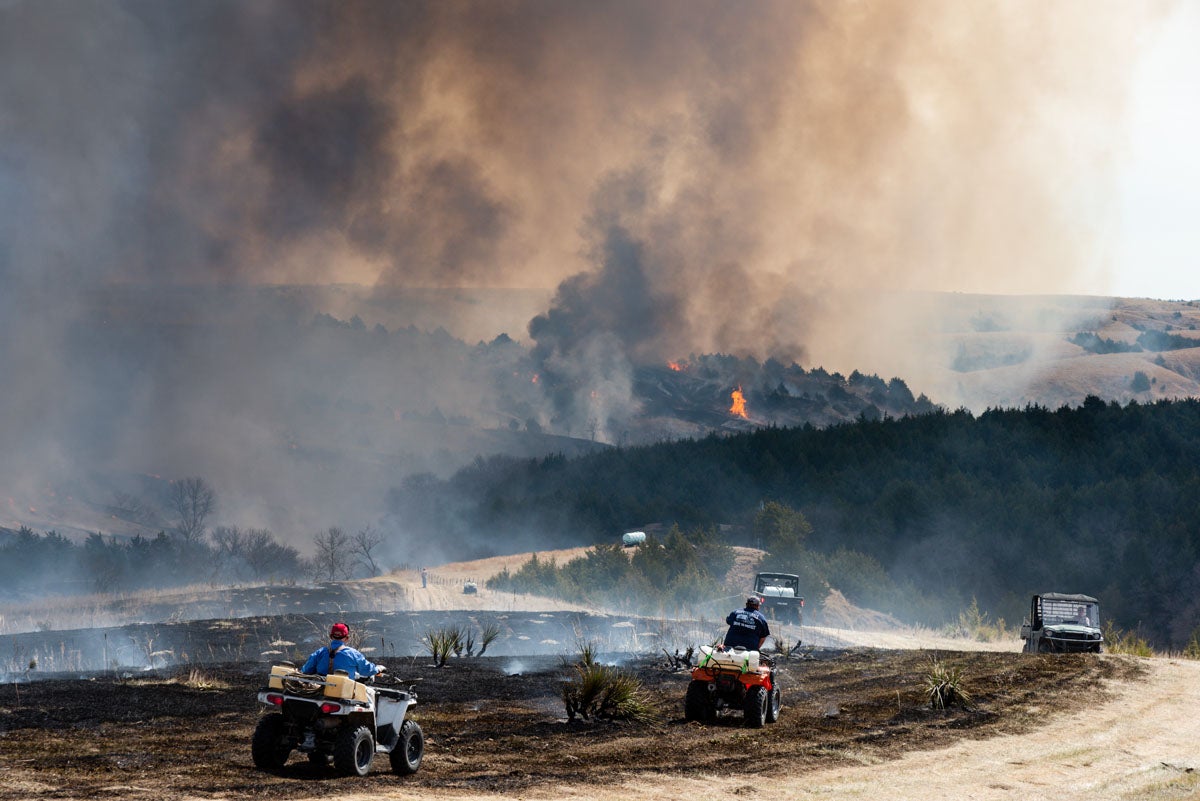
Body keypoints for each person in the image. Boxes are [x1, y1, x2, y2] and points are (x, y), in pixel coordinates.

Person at [302, 622, 386, 681]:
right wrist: (378, 669)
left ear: (331, 636)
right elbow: (366, 670)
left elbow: (306, 670)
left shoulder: (320, 652)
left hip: (320, 690)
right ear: (347, 638)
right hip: (344, 693)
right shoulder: (353, 654)